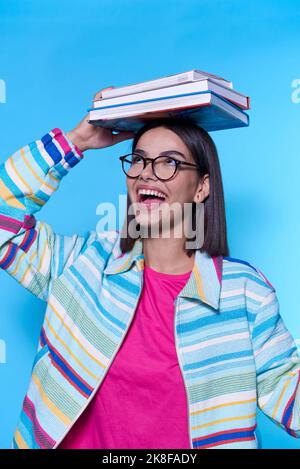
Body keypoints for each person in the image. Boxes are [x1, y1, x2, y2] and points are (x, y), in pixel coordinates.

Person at [0, 86, 299, 450]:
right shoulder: (86, 262)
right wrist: (76, 141)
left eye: (169, 162)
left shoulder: (244, 293)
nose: (146, 174)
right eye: (138, 159)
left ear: (202, 187)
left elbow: (287, 388)